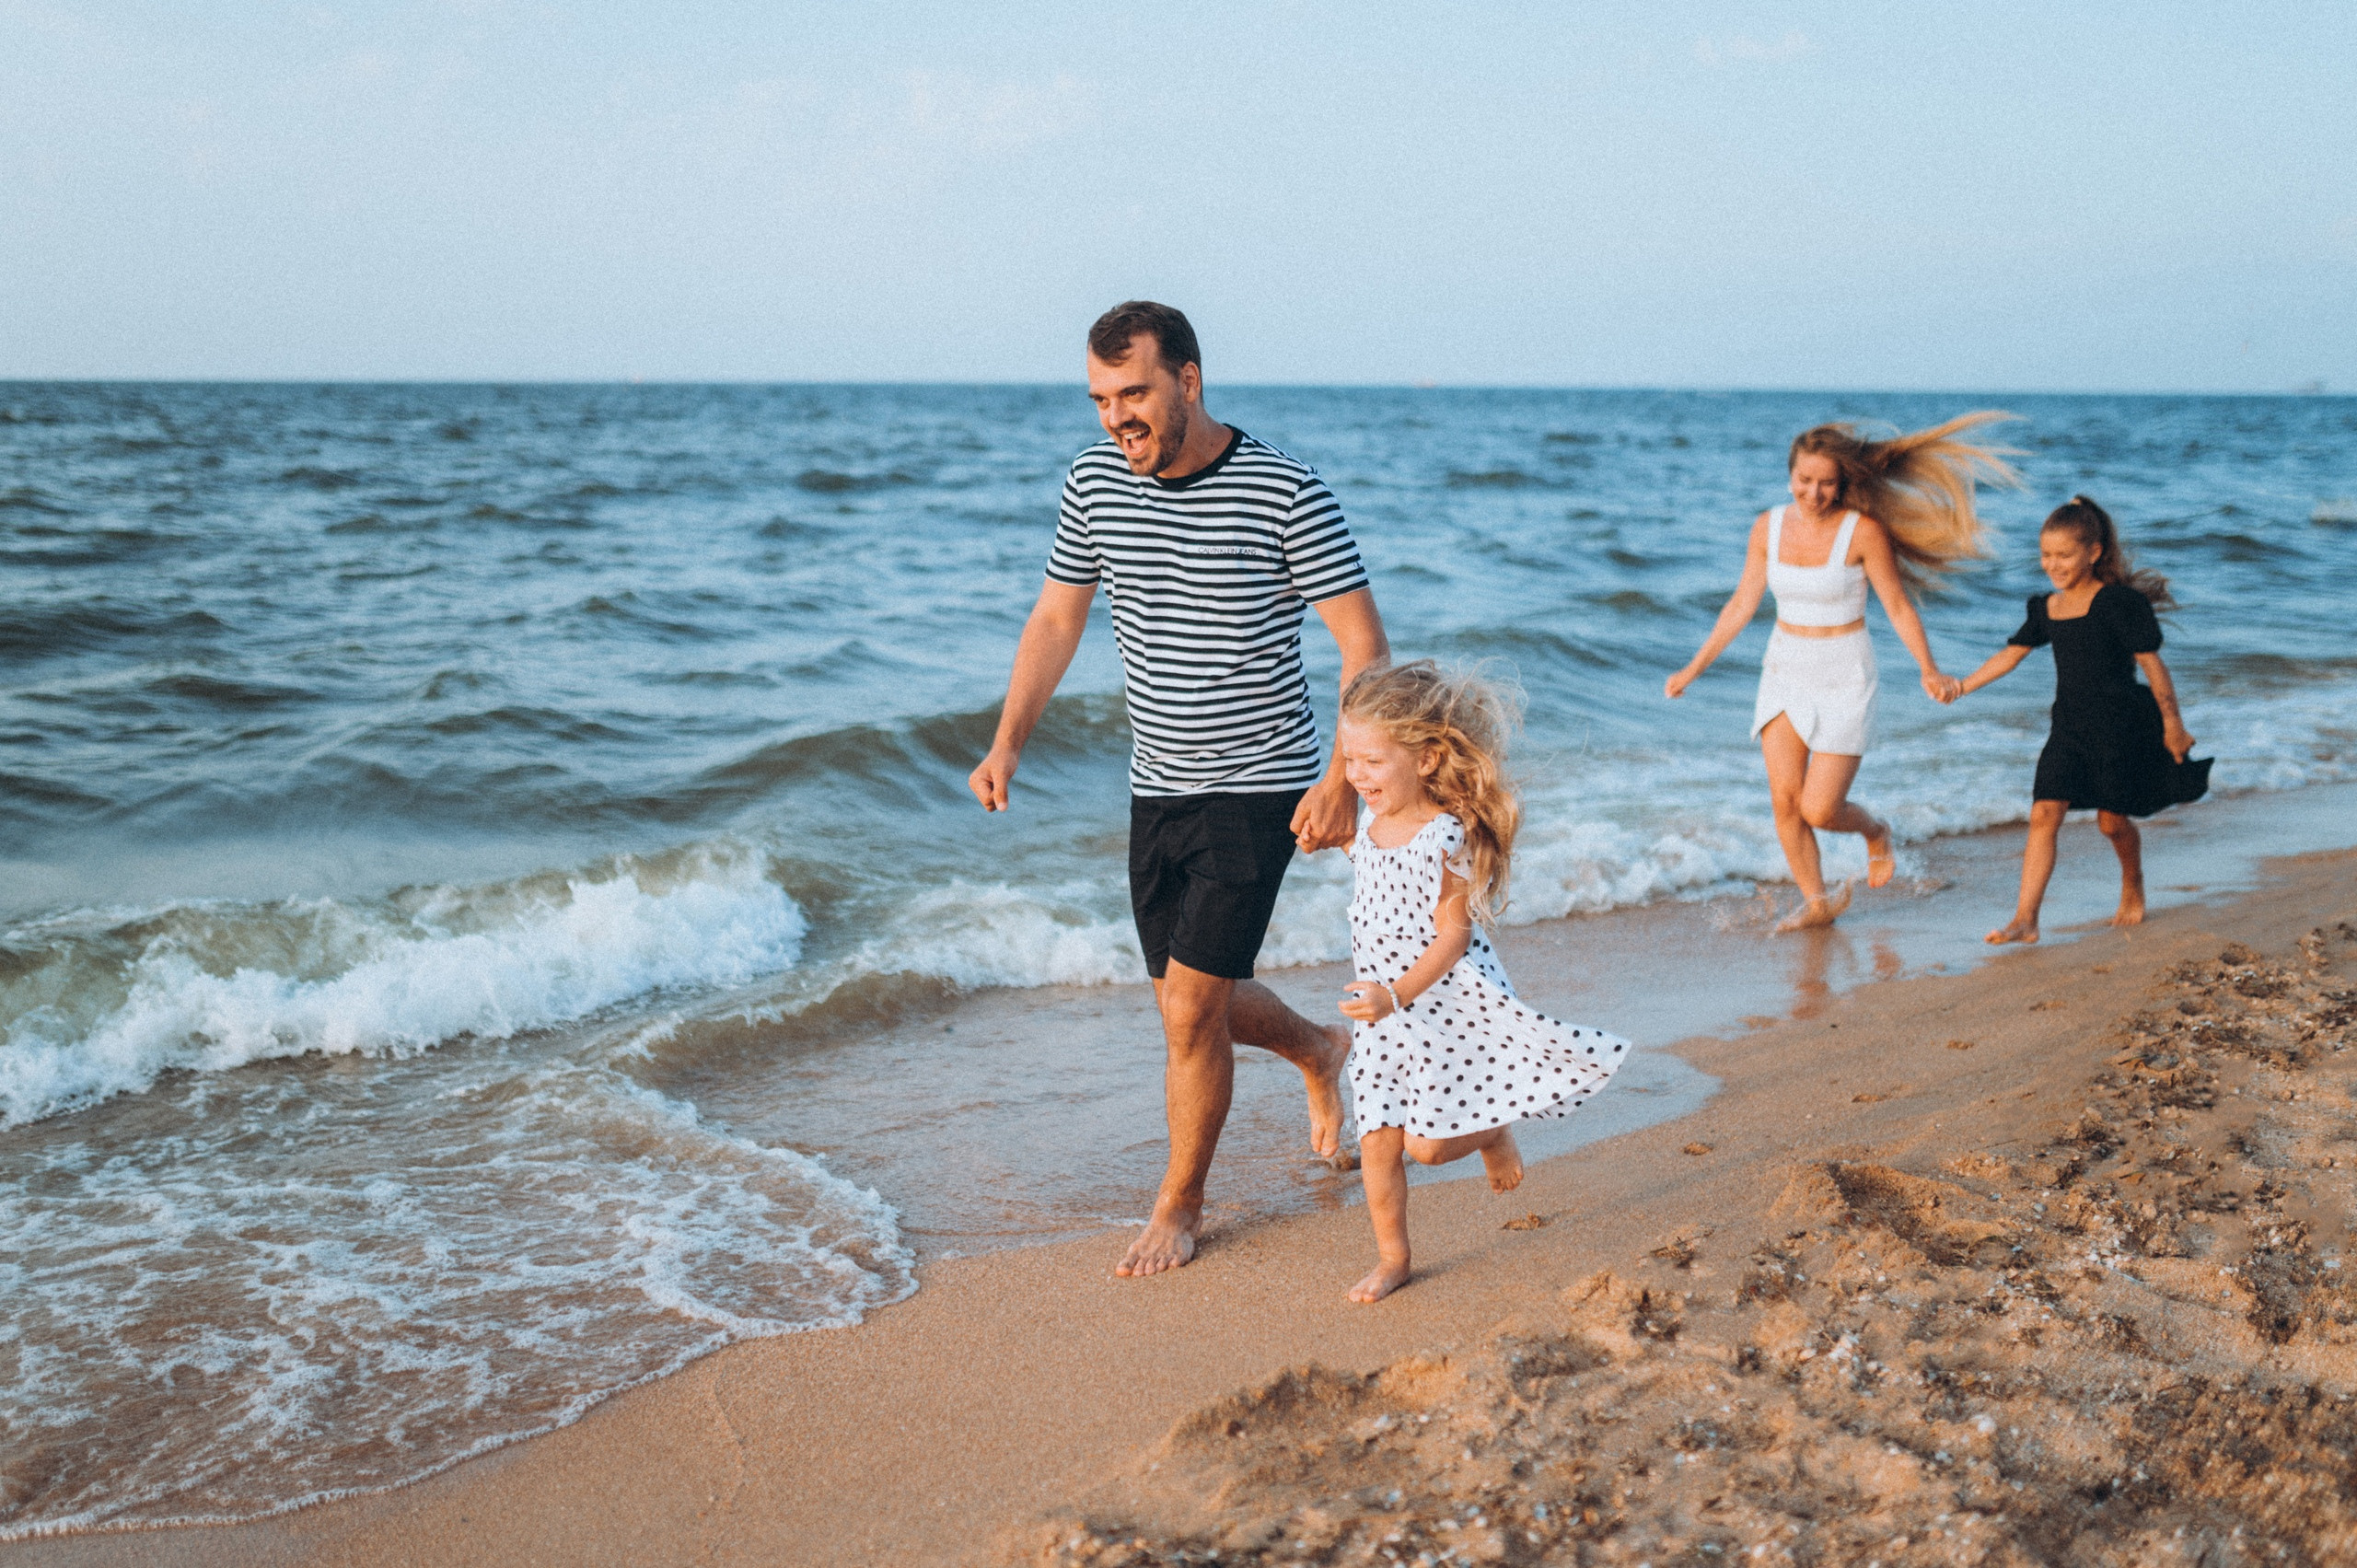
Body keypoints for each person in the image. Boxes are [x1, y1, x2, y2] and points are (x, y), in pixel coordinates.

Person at [968, 300, 1390, 1279]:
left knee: (1193, 1009)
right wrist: (1007, 743)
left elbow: (1362, 648)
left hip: (1262, 783)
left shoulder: (1287, 492)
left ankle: (1181, 1203)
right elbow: (1055, 619)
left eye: (1134, 393)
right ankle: (1321, 1052)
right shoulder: (1094, 483)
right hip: (1156, 783)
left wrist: (1340, 781)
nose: (1116, 417)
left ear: (1187, 382)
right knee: (1184, 1002)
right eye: (1099, 398)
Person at [1333, 660, 1627, 1303]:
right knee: (1378, 1141)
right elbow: (1374, 875)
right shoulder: (1368, 821)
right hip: (1379, 1015)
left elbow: (1452, 936)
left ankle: (1491, 1130)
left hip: (1440, 1004)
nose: (1356, 775)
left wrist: (1396, 994)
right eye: (1349, 759)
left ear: (1428, 758)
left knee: (1429, 1147)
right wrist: (1333, 842)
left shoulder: (1445, 836)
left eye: (1372, 762)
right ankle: (1394, 1257)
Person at [1665, 414, 2016, 930]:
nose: (1814, 492)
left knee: (1820, 808)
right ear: (1790, 476)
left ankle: (1875, 831)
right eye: (1804, 480)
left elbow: (1897, 606)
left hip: (1845, 674)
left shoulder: (1864, 532)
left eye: (1826, 482)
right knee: (1785, 803)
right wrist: (1694, 668)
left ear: (1843, 482)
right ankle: (1816, 902)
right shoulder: (1768, 526)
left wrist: (1929, 669)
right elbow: (1741, 604)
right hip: (1784, 669)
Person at [1949, 495, 2207, 943]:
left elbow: (2153, 666)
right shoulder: (2046, 608)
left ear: (2094, 552)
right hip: (2068, 728)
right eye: (2046, 554)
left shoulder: (2118, 603)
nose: (2053, 564)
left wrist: (2174, 726)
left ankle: (2133, 882)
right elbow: (2011, 656)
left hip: (2120, 726)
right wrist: (1962, 686)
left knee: (2111, 823)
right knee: (2044, 813)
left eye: (2064, 555)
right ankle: (2025, 919)